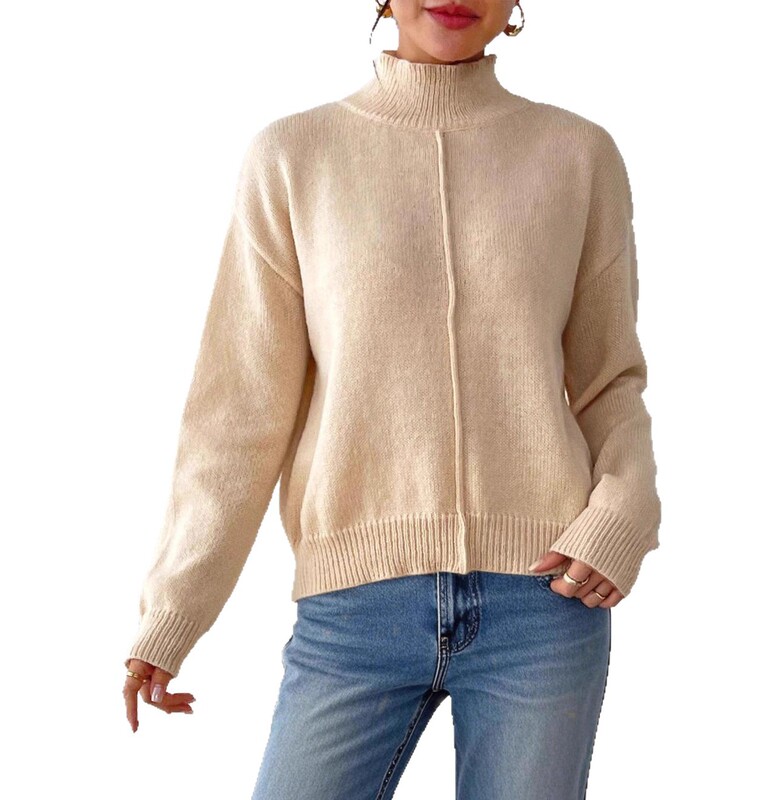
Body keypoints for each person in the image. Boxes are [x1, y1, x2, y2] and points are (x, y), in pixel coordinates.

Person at [122, 2, 661, 797]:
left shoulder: (577, 154)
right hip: (353, 612)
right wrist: (175, 609)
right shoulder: (294, 156)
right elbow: (239, 410)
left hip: (545, 603)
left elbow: (609, 378)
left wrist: (624, 513)